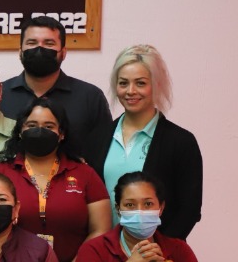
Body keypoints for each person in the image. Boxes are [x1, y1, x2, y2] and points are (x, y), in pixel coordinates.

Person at [0, 97, 111, 262]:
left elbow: (101, 230)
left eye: (48, 126)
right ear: (20, 131)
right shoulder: (0, 173)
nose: (39, 131)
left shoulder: (85, 174)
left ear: (61, 134)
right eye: (31, 125)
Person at [84, 45, 202, 239]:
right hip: (105, 250)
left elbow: (189, 210)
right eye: (123, 83)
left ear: (156, 85)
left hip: (157, 251)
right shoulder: (97, 138)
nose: (130, 91)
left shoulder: (181, 142)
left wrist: (160, 249)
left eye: (140, 83)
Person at [75, 172, 209, 262]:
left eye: (148, 204)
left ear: (161, 208)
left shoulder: (178, 248)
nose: (140, 212)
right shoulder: (94, 249)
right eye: (130, 205)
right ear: (118, 210)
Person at [0, 16, 111, 155]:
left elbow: (104, 151)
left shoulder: (90, 97)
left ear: (63, 53)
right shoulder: (1, 95)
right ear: (20, 51)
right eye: (32, 42)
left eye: (49, 43)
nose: (39, 48)